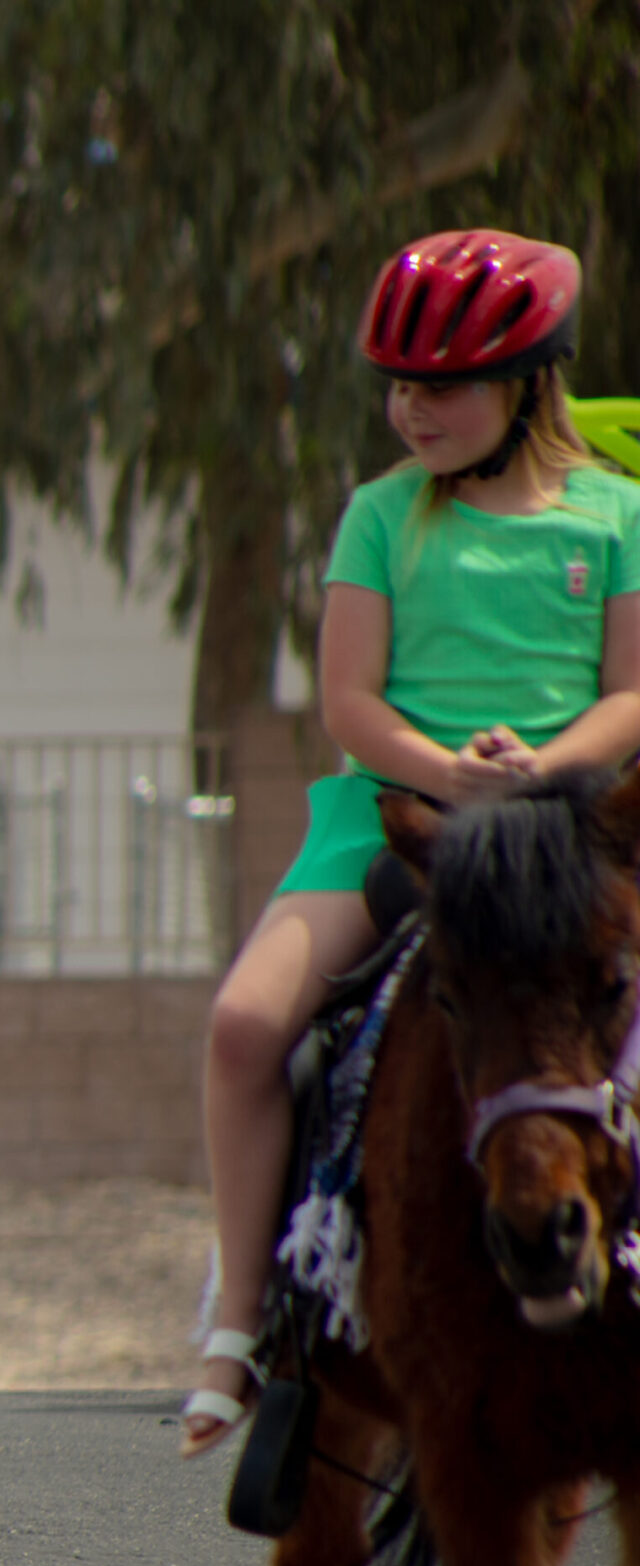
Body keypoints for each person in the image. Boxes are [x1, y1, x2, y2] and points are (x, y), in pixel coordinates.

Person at [186, 230, 640, 1453]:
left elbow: (632, 692)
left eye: (440, 385)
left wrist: (544, 770)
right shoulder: (381, 516)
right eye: (398, 385)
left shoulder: (620, 516)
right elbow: (348, 705)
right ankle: (244, 1320)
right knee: (242, 1028)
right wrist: (448, 776)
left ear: (530, 381)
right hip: (391, 818)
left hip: (572, 833)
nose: (411, 409)